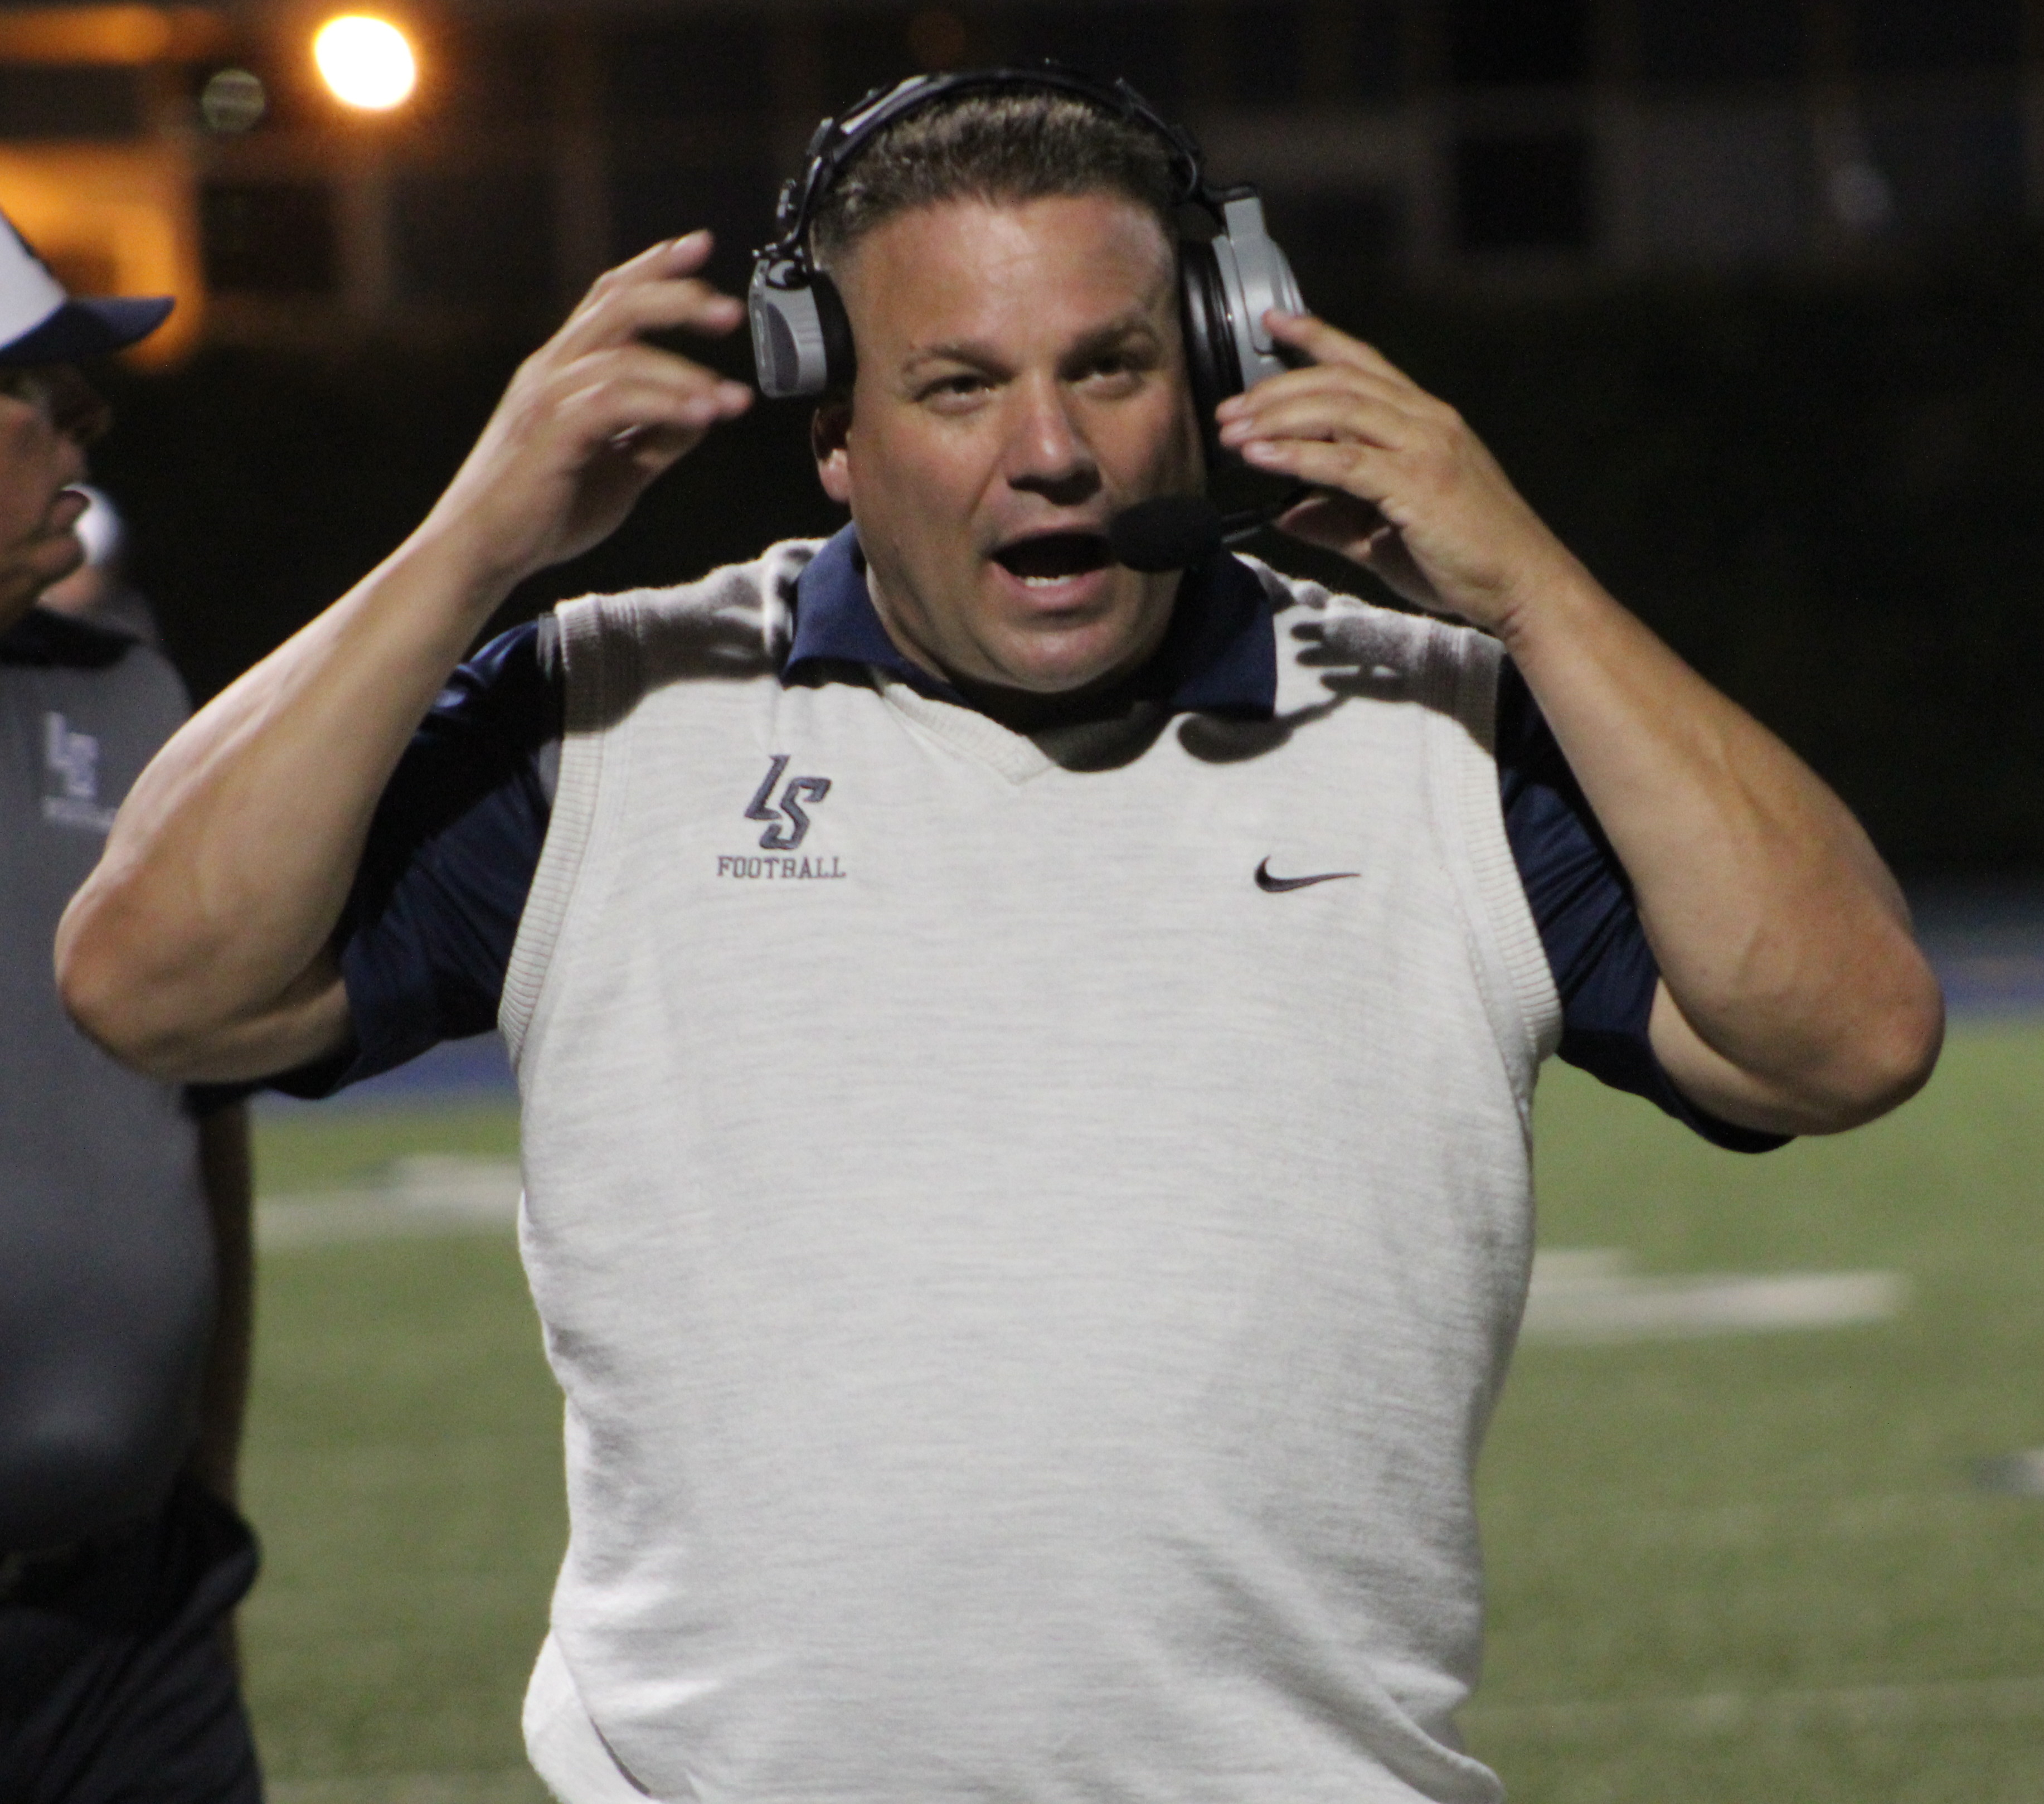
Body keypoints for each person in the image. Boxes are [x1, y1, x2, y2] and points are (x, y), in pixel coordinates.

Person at [58, 72, 1941, 1804]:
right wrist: (474, 538)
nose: (1050, 448)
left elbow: (1845, 1033)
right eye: (958, 385)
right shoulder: (607, 713)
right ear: (835, 431)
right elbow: (151, 979)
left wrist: (1530, 585)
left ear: (1212, 362)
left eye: (1108, 366)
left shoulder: (1434, 724)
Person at [0, 215, 260, 1801]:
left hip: (133, 1634)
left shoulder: (130, 699)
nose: (86, 415)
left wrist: (202, 1489)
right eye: (33, 382)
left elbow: (201, 1131)